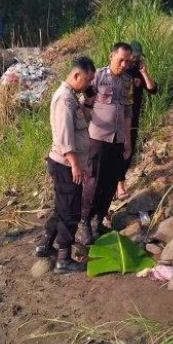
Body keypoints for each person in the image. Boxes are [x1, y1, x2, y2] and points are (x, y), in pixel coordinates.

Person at [35, 57, 96, 273]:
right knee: (70, 211)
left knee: (62, 207)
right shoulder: (64, 99)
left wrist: (88, 101)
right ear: (77, 75)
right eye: (87, 80)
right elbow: (64, 136)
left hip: (67, 163)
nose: (88, 84)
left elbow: (82, 124)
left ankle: (44, 244)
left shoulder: (72, 98)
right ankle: (63, 259)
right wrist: (75, 164)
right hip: (66, 164)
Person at [80, 43, 133, 245]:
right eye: (121, 59)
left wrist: (127, 140)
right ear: (111, 56)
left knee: (110, 182)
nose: (124, 64)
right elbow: (86, 104)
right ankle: (84, 222)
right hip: (97, 138)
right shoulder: (98, 77)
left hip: (117, 139)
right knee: (93, 182)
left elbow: (127, 112)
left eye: (127, 61)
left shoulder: (127, 81)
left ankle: (98, 220)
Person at [116, 41, 157, 200]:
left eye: (138, 57)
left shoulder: (139, 72)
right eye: (133, 57)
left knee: (128, 152)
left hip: (132, 120)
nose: (134, 60)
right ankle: (116, 185)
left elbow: (153, 89)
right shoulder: (119, 72)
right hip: (116, 120)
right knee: (116, 153)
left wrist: (145, 73)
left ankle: (120, 185)